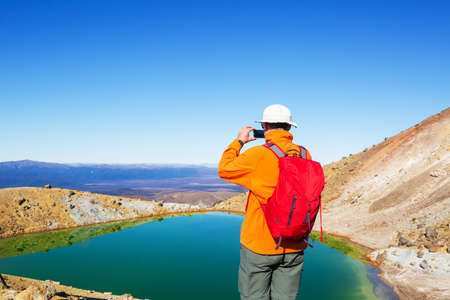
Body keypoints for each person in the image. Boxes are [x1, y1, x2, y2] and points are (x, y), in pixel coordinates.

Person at [218, 104, 312, 300]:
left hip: (260, 244)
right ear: (289, 128)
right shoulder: (304, 154)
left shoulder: (259, 154)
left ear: (264, 126)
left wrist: (239, 142)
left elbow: (224, 169)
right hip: (295, 242)